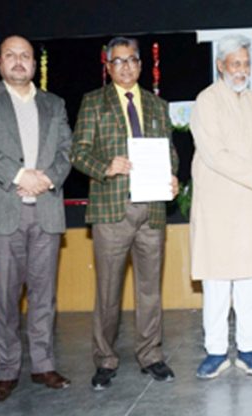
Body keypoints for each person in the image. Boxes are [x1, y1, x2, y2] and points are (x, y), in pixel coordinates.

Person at [0, 35, 73, 403]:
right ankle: (6, 371)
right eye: (10, 55)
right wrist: (19, 175)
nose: (18, 61)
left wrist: (49, 178)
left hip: (45, 209)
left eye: (25, 56)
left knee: (44, 297)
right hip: (2, 210)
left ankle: (43, 365)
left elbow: (66, 150)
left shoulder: (54, 103)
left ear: (33, 63)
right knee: (6, 297)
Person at [71, 36, 179, 390]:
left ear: (140, 64)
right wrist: (107, 166)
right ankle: (105, 360)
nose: (126, 66)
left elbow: (171, 153)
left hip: (152, 209)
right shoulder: (93, 102)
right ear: (108, 65)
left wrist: (173, 176)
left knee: (150, 290)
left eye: (132, 59)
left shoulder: (156, 105)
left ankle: (151, 354)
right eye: (118, 61)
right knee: (108, 292)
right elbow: (78, 153)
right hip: (112, 211)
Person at [189, 34, 252, 379]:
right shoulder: (207, 101)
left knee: (250, 280)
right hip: (218, 205)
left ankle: (247, 348)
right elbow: (214, 154)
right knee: (217, 282)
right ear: (220, 65)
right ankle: (215, 351)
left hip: (250, 205)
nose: (241, 70)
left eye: (246, 63)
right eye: (235, 64)